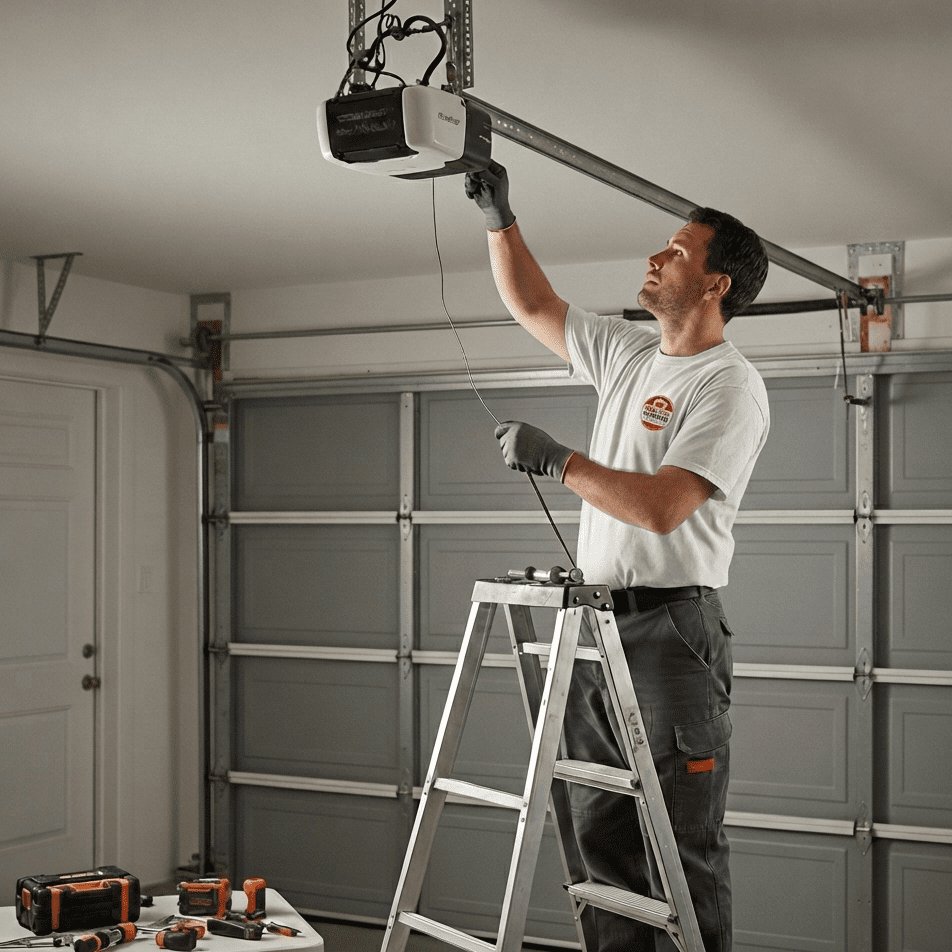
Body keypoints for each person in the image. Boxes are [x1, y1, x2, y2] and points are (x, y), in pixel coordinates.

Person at [464, 161, 770, 952]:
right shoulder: (630, 356)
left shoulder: (728, 385)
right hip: (597, 628)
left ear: (717, 285)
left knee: (681, 850)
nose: (656, 259)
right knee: (599, 838)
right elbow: (533, 304)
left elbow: (665, 506)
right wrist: (501, 217)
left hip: (672, 632)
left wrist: (559, 460)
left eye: (676, 251)